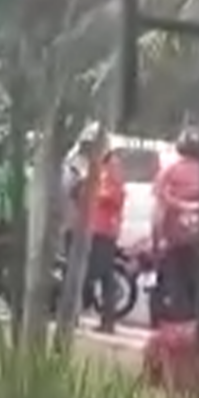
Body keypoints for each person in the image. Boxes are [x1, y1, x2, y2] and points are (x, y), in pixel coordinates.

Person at [68, 130, 126, 333]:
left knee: (93, 273)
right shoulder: (98, 166)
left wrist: (88, 192)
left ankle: (77, 314)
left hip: (103, 227)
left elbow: (113, 195)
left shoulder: (111, 167)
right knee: (102, 275)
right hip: (93, 225)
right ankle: (104, 318)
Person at [152, 128, 199, 323]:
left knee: (175, 286)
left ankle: (178, 330)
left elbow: (158, 212)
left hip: (173, 239)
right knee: (196, 286)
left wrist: (156, 241)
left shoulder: (168, 173)